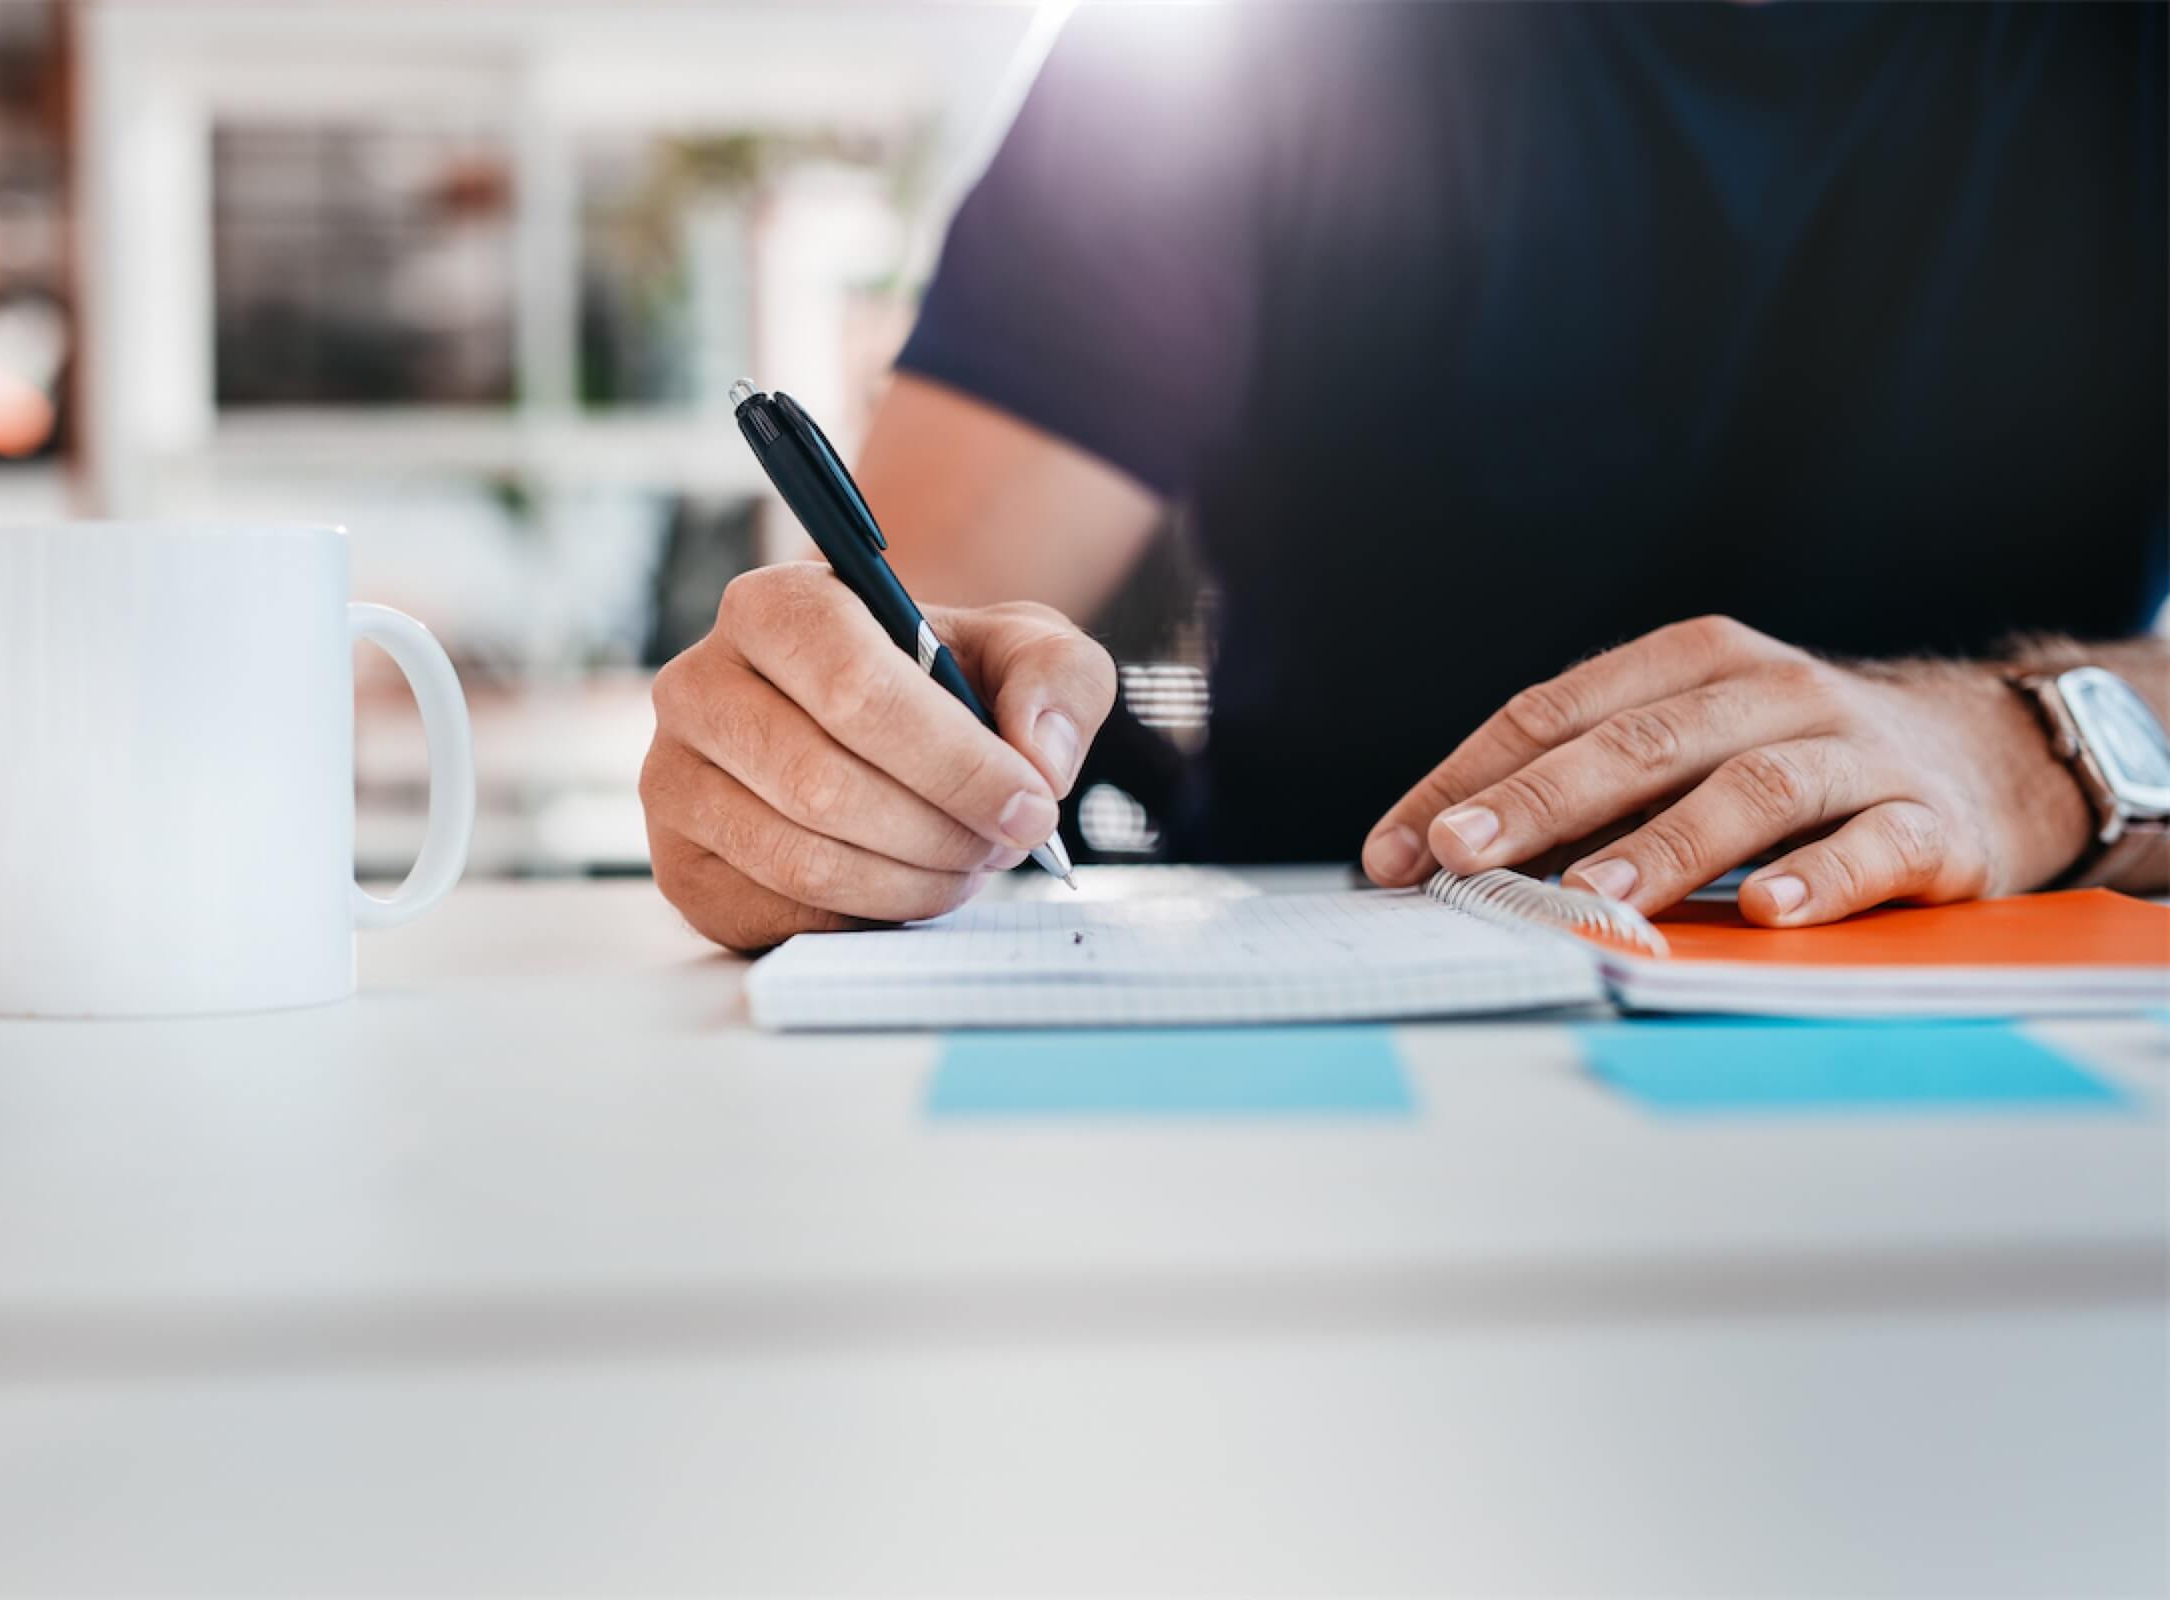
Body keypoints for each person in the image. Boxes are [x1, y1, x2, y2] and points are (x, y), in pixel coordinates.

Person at [641, 1, 2167, 953]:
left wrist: (2044, 751)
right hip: (1336, 1050)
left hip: (2017, 1033)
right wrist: (814, 765)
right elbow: (885, 638)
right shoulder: (1218, 55)